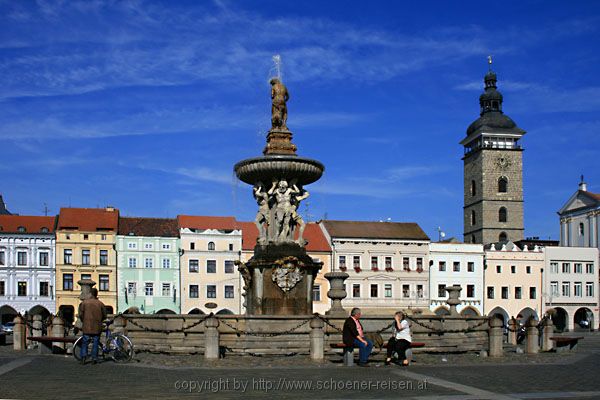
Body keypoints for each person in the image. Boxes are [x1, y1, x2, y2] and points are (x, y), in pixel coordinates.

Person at [78, 287, 107, 365]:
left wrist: (83, 320)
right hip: (97, 326)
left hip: (87, 326)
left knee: (85, 342)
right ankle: (94, 358)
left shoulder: (84, 303)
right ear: (96, 294)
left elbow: (81, 314)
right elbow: (105, 315)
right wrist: (100, 319)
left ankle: (83, 357)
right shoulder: (100, 303)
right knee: (96, 342)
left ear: (90, 293)